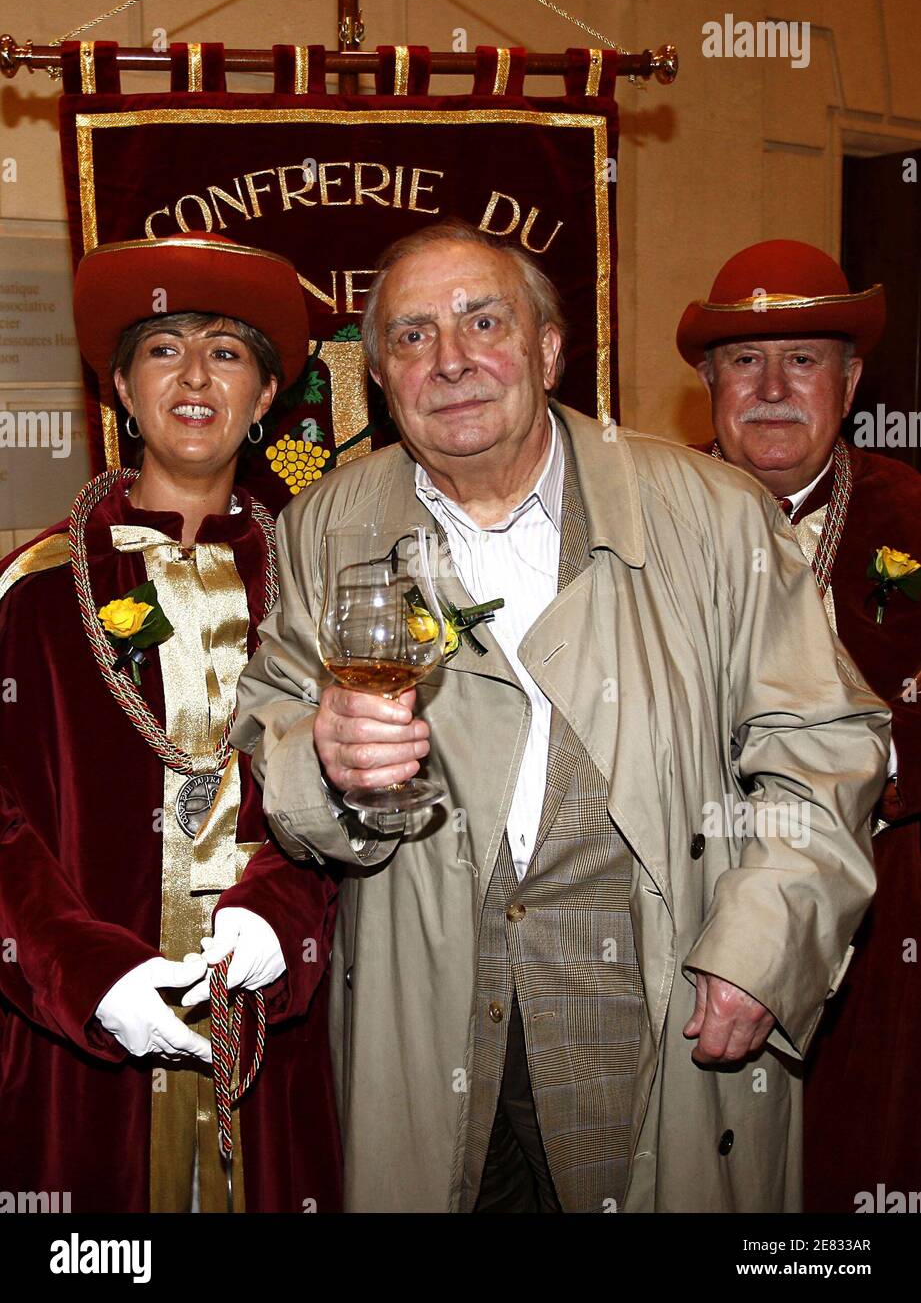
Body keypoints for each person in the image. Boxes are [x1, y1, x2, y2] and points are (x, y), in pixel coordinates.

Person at [232, 218, 888, 1214]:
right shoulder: (326, 527)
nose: (449, 361)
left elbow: (825, 744)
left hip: (659, 1011)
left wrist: (765, 947)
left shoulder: (711, 514)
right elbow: (273, 730)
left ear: (547, 347)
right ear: (378, 377)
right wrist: (322, 763)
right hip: (430, 1019)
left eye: (481, 321)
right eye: (411, 336)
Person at [0, 232, 341, 1213]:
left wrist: (283, 915)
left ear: (268, 398)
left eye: (229, 352)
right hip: (75, 1067)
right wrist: (88, 975)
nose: (196, 375)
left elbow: (354, 798)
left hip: (274, 1048)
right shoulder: (32, 593)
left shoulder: (315, 594)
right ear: (117, 383)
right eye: (164, 347)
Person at [679, 237, 921, 1213]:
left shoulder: (915, 514)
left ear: (853, 378)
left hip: (891, 920)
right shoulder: (646, 518)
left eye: (805, 359)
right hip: (691, 904)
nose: (773, 387)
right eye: (745, 360)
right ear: (708, 380)